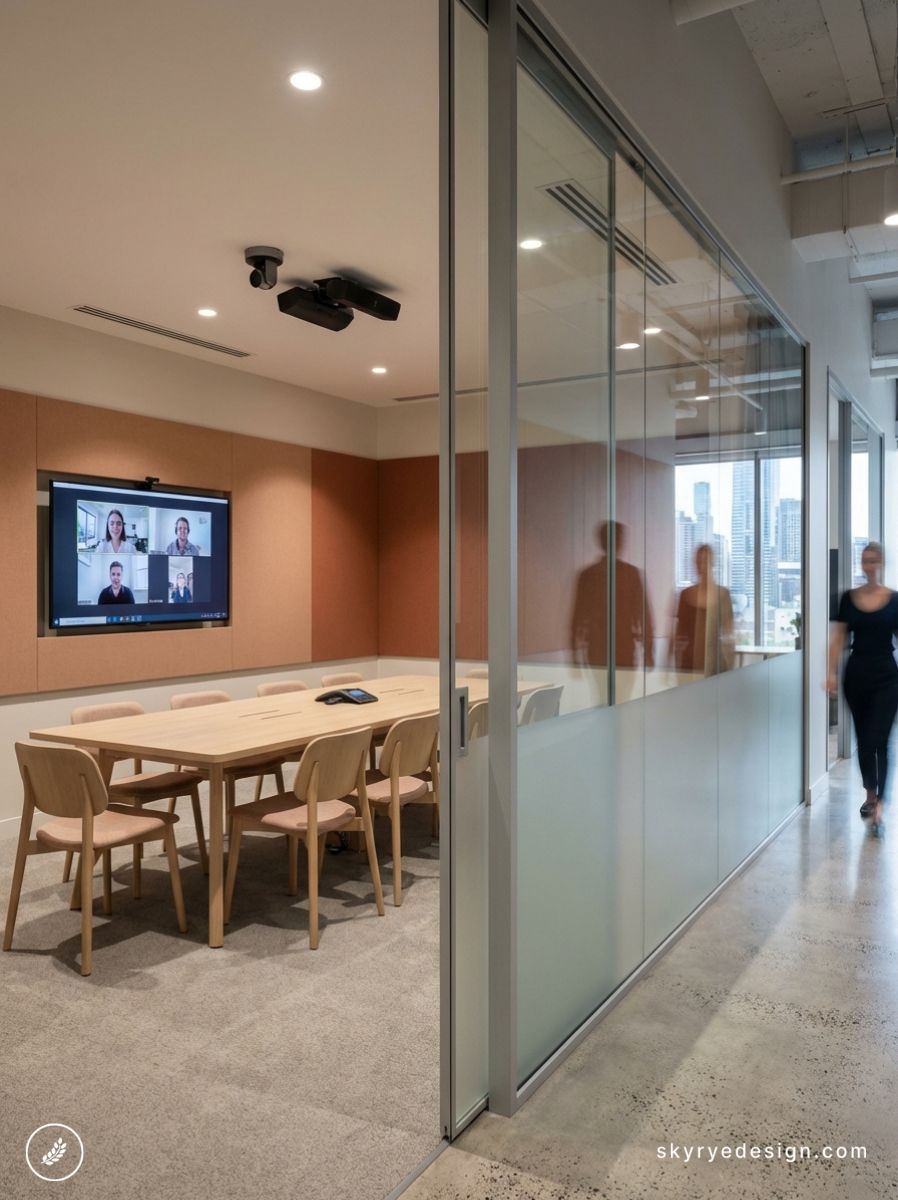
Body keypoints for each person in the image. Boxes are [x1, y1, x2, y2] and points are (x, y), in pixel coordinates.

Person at [827, 542, 898, 832]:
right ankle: (870, 795)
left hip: (887, 676)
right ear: (861, 563)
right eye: (865, 561)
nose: (869, 566)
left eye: (874, 561)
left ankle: (882, 800)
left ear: (881, 563)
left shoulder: (894, 600)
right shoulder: (848, 598)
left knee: (881, 738)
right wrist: (830, 672)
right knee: (865, 742)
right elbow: (839, 639)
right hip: (856, 676)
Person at [570, 521, 655, 679]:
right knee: (618, 698)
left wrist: (575, 656)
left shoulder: (589, 575)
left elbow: (577, 618)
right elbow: (644, 616)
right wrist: (649, 651)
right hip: (615, 650)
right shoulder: (629, 574)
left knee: (606, 698)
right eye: (618, 538)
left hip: (606, 650)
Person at [674, 543, 735, 676]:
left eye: (704, 561)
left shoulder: (723, 595)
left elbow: (729, 634)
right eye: (698, 562)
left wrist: (731, 663)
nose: (701, 566)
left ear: (712, 564)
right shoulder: (685, 595)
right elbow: (678, 635)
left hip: (716, 662)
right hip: (690, 662)